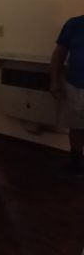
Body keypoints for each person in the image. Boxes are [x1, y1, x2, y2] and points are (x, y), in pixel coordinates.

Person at [50, 15, 84, 178]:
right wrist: (54, 82)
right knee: (76, 127)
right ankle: (76, 164)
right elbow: (58, 55)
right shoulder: (73, 24)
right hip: (75, 86)